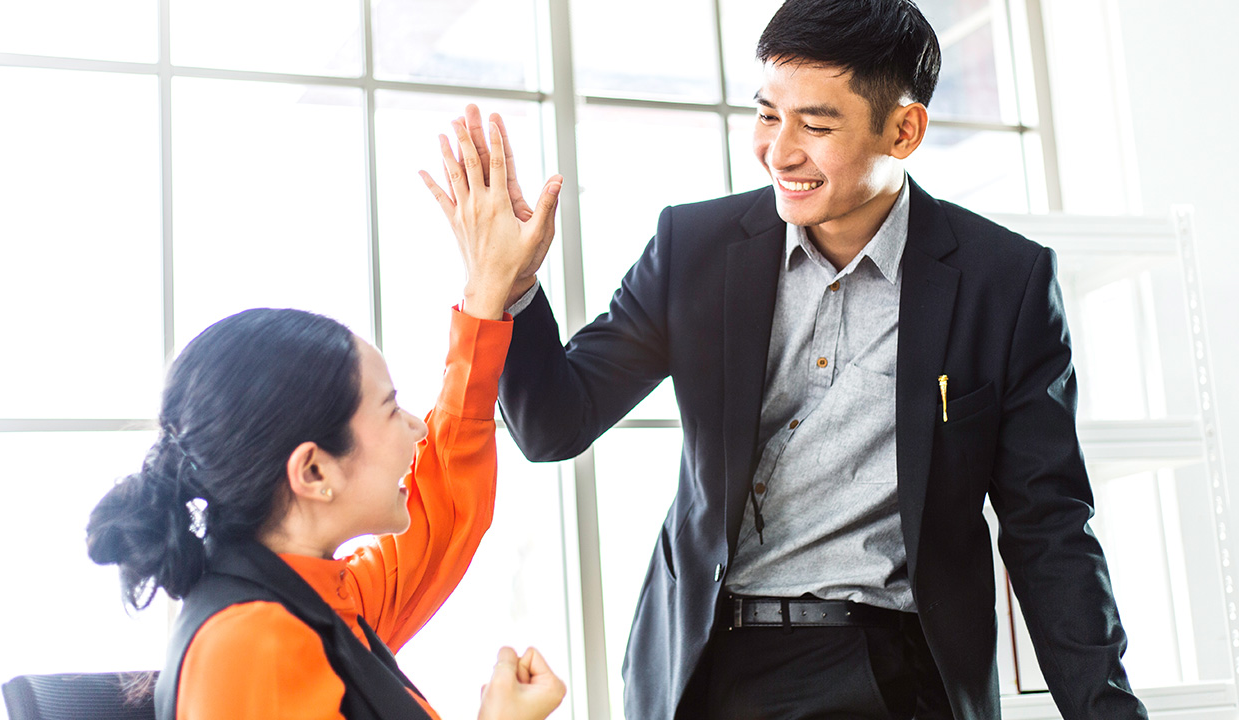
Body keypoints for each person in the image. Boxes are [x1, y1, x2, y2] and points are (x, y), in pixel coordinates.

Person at [427, 1, 1149, 718]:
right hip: (704, 664)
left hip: (889, 669)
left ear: (904, 130)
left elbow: (1048, 525)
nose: (779, 150)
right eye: (769, 114)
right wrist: (509, 286)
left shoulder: (1003, 283)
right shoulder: (696, 249)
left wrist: (1107, 710)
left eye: (817, 123)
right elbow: (554, 425)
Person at [86, 121, 567, 720]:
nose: (417, 429)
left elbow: (443, 506)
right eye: (392, 409)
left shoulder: (322, 599)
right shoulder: (252, 645)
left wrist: (488, 293)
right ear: (313, 470)